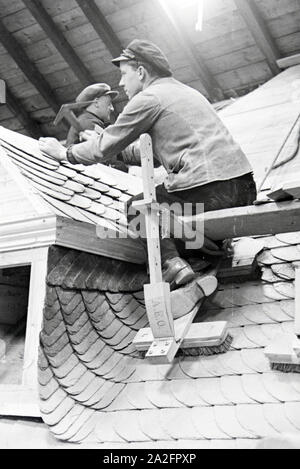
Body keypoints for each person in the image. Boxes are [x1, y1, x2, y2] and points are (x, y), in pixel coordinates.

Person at [39, 39, 257, 291]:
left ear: (140, 72)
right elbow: (150, 156)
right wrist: (111, 149)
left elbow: (102, 148)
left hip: (210, 190)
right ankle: (201, 254)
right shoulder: (184, 92)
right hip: (242, 188)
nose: (121, 84)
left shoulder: (149, 98)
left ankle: (172, 264)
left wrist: (65, 153)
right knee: (168, 212)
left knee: (139, 208)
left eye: (124, 74)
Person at [66, 83, 127, 172]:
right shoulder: (89, 124)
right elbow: (102, 162)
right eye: (109, 104)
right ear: (96, 103)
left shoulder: (89, 121)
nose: (112, 108)